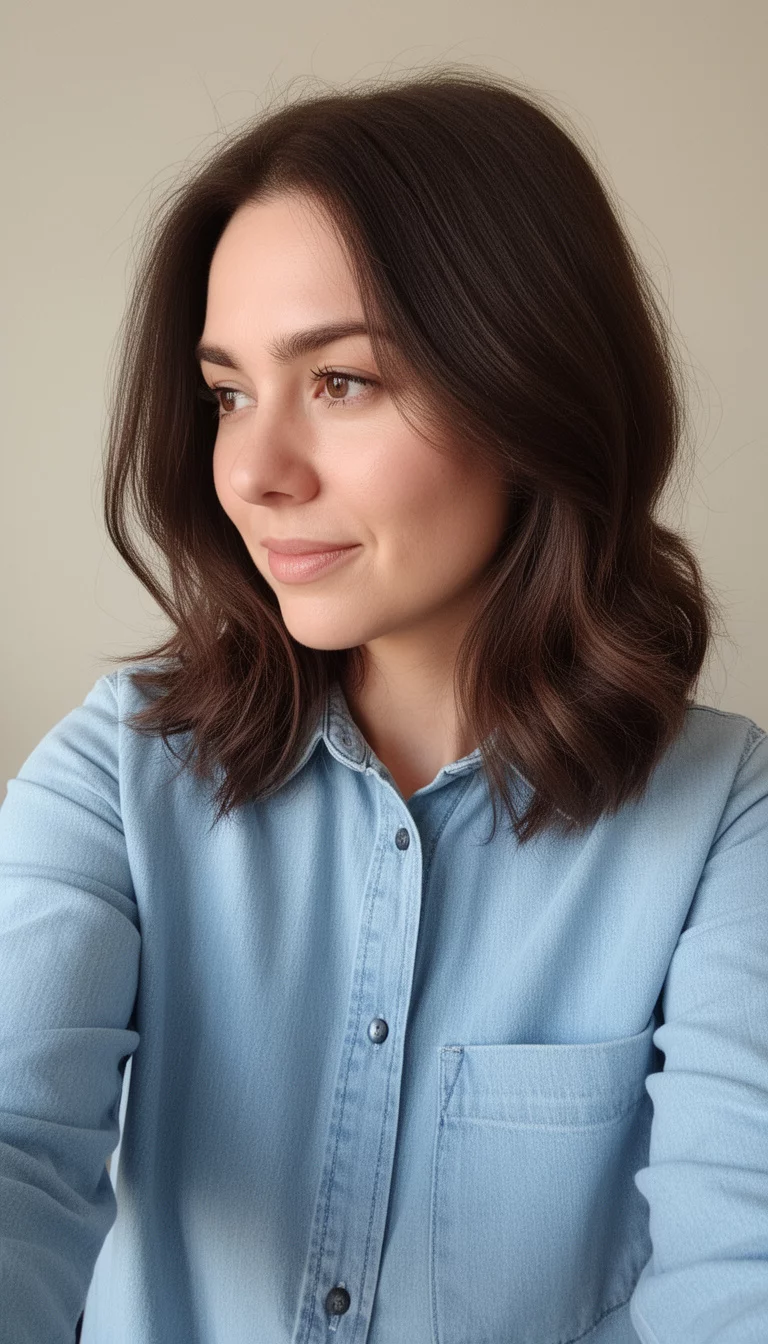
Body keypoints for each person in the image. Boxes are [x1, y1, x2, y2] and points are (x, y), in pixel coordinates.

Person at [1, 66, 767, 1344]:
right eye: (228, 393)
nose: (252, 471)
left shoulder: (724, 820)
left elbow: (745, 1266)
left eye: (342, 381)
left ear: (531, 386)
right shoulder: (116, 770)